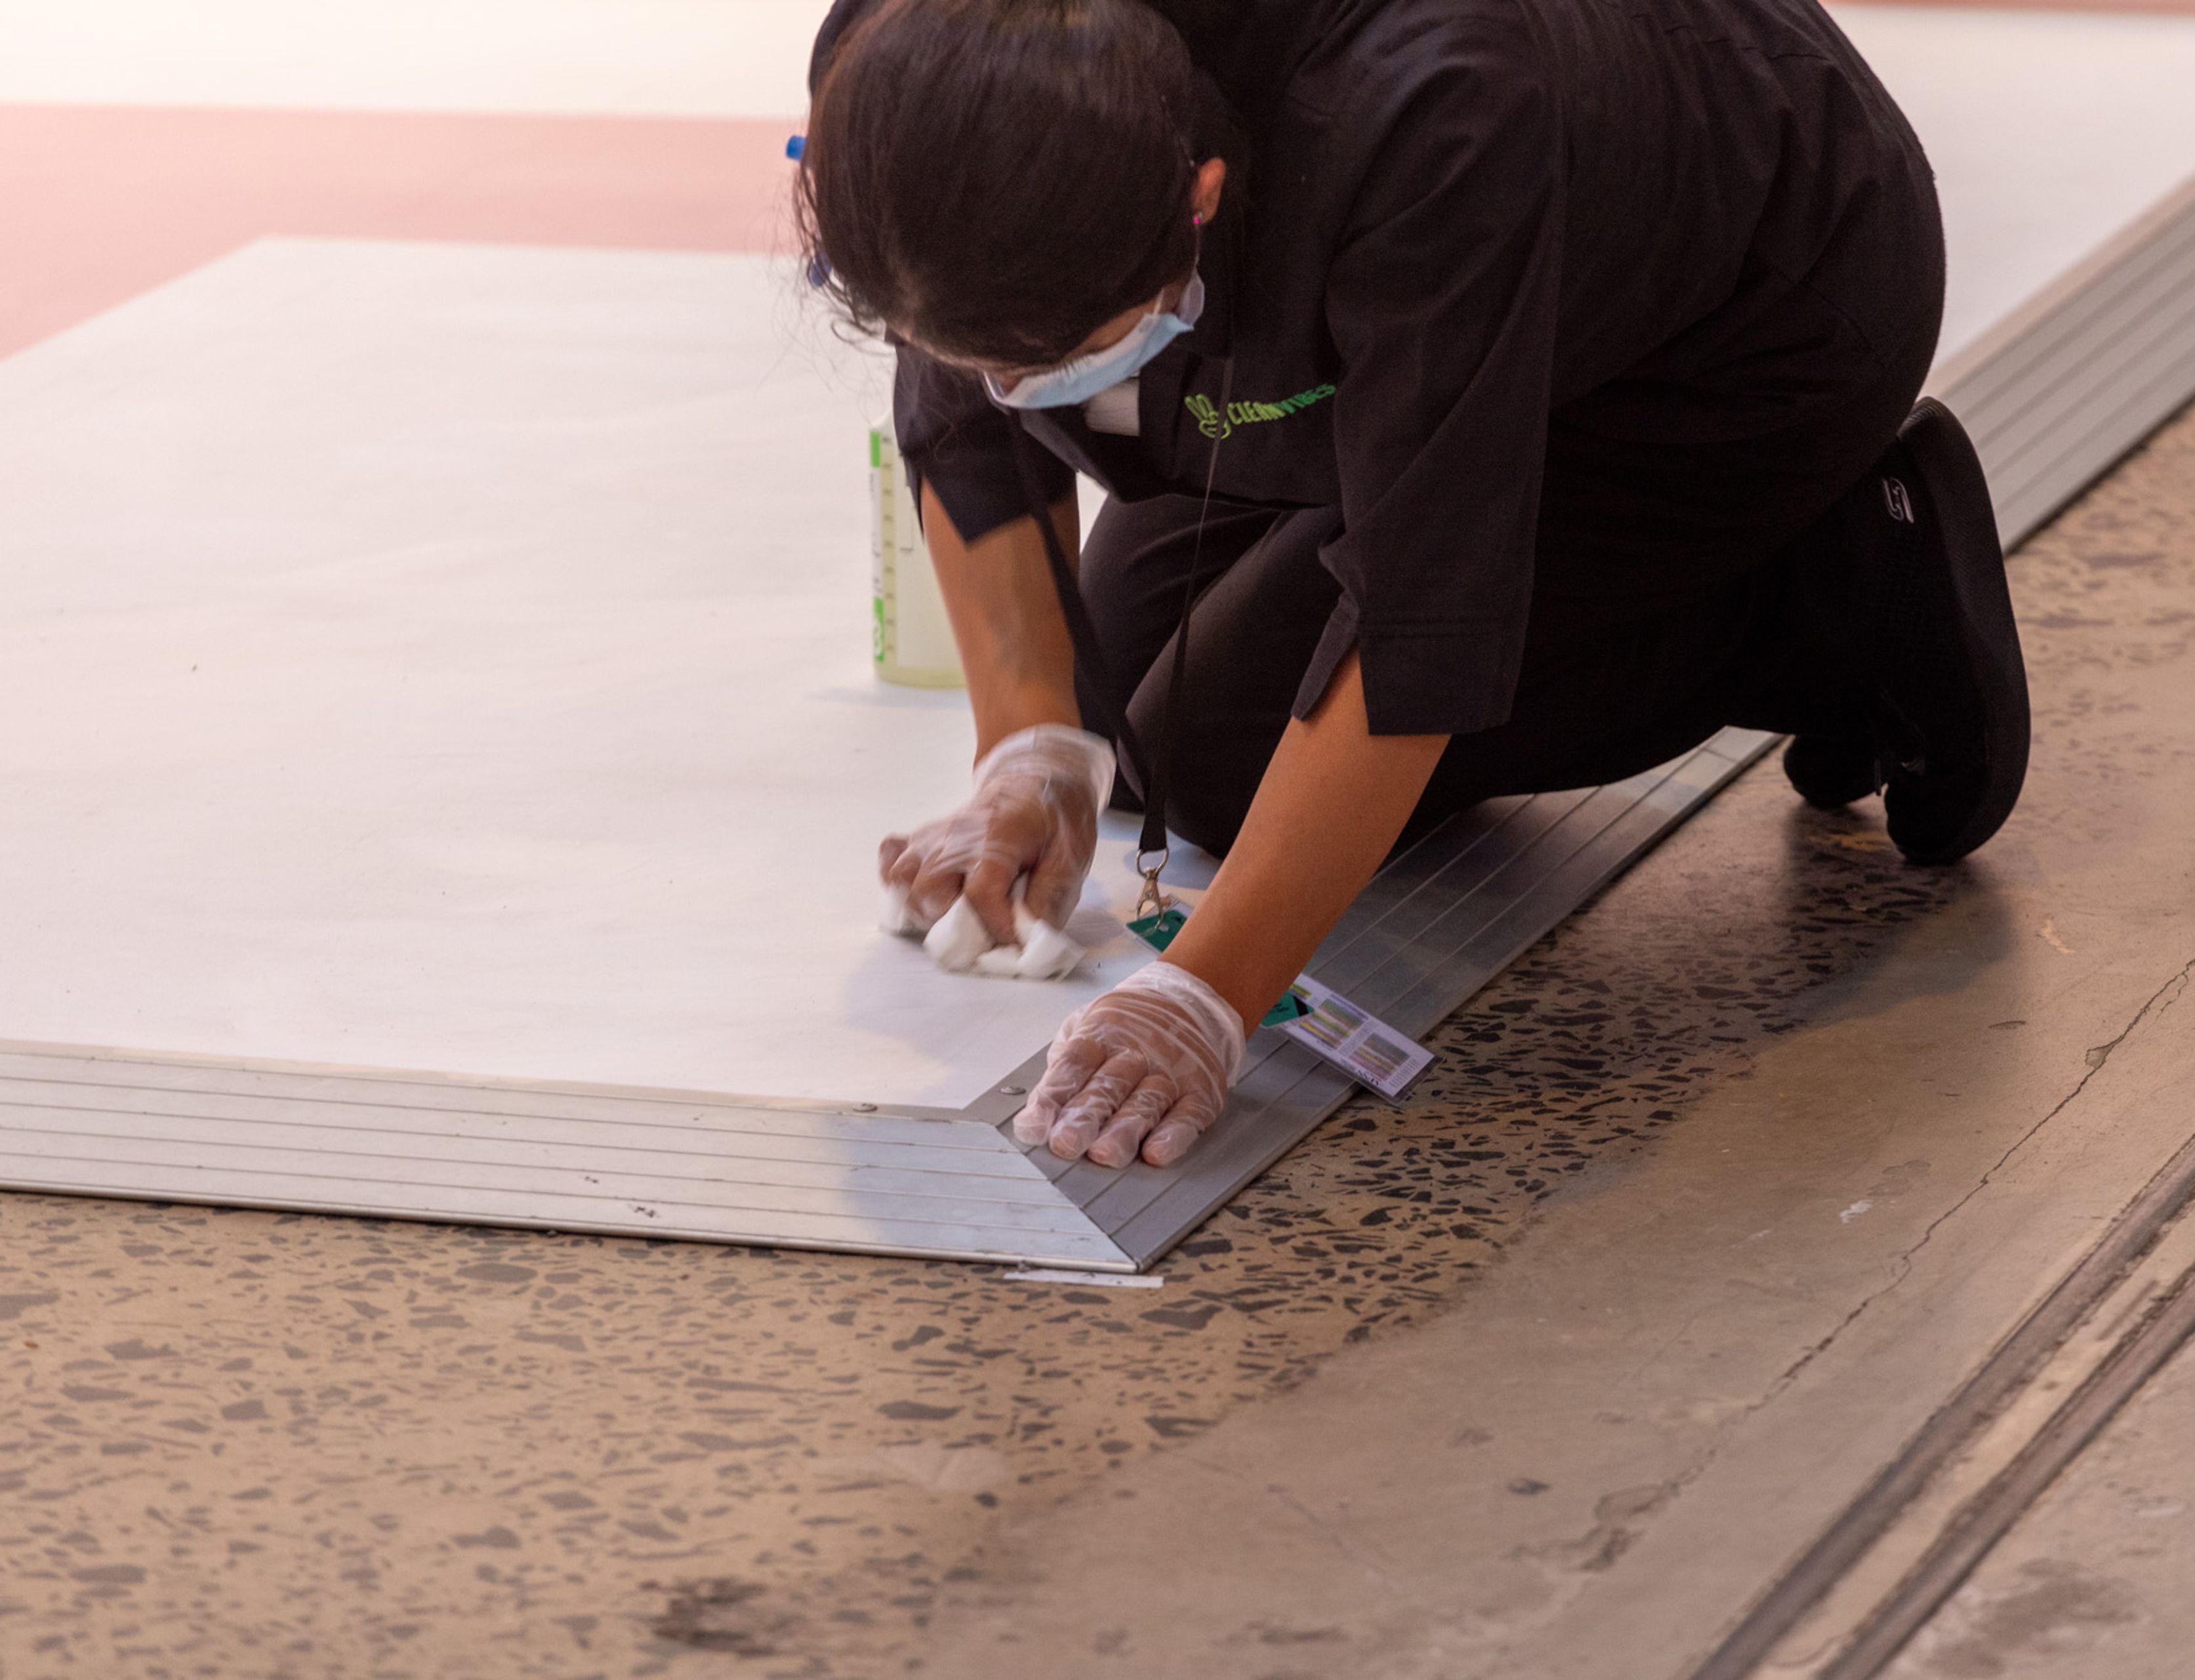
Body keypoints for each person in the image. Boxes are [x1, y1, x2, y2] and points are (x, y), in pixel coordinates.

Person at [797, 0, 2030, 1170]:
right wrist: (1030, 742)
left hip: (1727, 333)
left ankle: (1834, 586)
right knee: (1124, 686)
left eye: (1049, 360)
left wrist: (1201, 997)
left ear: (1198, 199)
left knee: (1222, 744)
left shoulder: (1430, 102)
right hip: (1440, 274)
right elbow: (957, 381)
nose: (1012, 394)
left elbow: (1416, 611)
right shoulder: (919, 48)